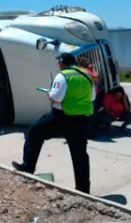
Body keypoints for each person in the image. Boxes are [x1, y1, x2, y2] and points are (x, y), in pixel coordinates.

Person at [12, 53, 94, 194]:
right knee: (80, 153)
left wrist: (50, 94)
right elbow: (92, 97)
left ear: (62, 63)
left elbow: (56, 98)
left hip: (62, 117)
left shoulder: (63, 76)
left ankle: (27, 167)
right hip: (82, 119)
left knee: (34, 132)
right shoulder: (87, 76)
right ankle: (83, 189)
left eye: (59, 62)